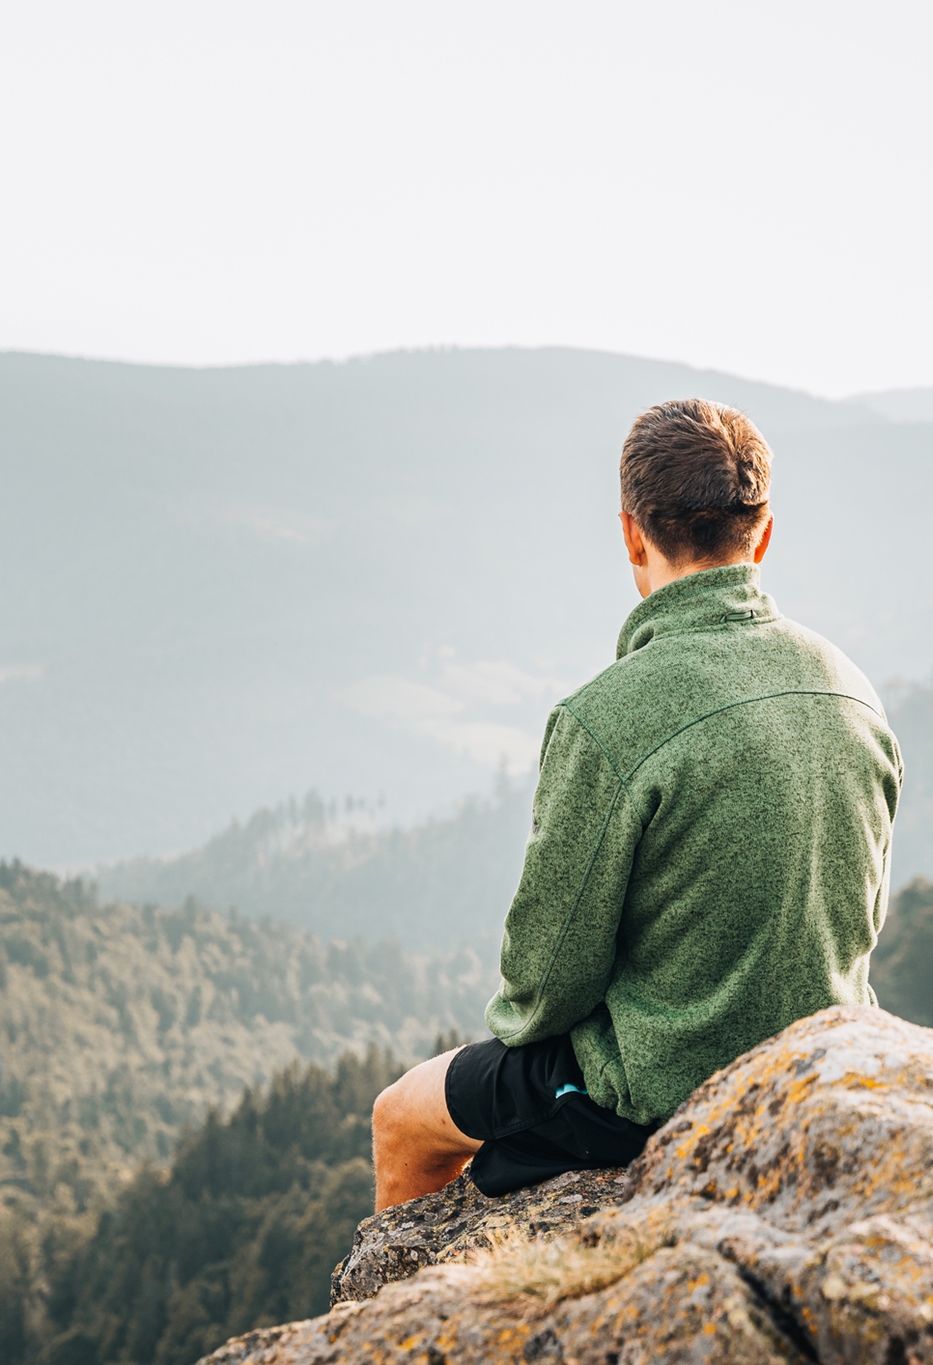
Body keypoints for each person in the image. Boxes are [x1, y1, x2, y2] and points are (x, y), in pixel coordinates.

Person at [370, 398, 902, 1209]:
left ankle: (390, 1328)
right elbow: (855, 918)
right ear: (761, 534)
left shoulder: (606, 717)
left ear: (631, 534)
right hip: (817, 1067)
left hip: (650, 1096)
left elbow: (548, 983)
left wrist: (524, 1044)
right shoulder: (852, 691)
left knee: (401, 1118)